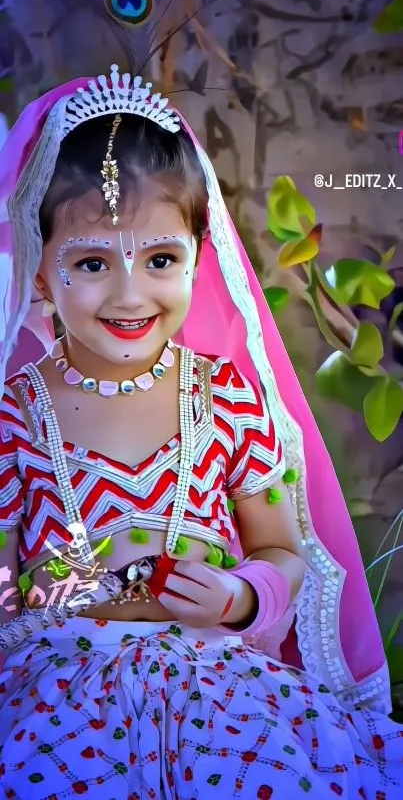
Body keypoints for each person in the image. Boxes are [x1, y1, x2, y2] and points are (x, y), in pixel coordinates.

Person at [0, 64, 401, 799]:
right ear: (36, 271)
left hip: (224, 694)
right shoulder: (15, 415)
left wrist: (236, 596)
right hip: (60, 704)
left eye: (160, 260)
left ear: (197, 256)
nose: (130, 294)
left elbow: (279, 549)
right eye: (91, 262)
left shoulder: (225, 399)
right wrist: (89, 585)